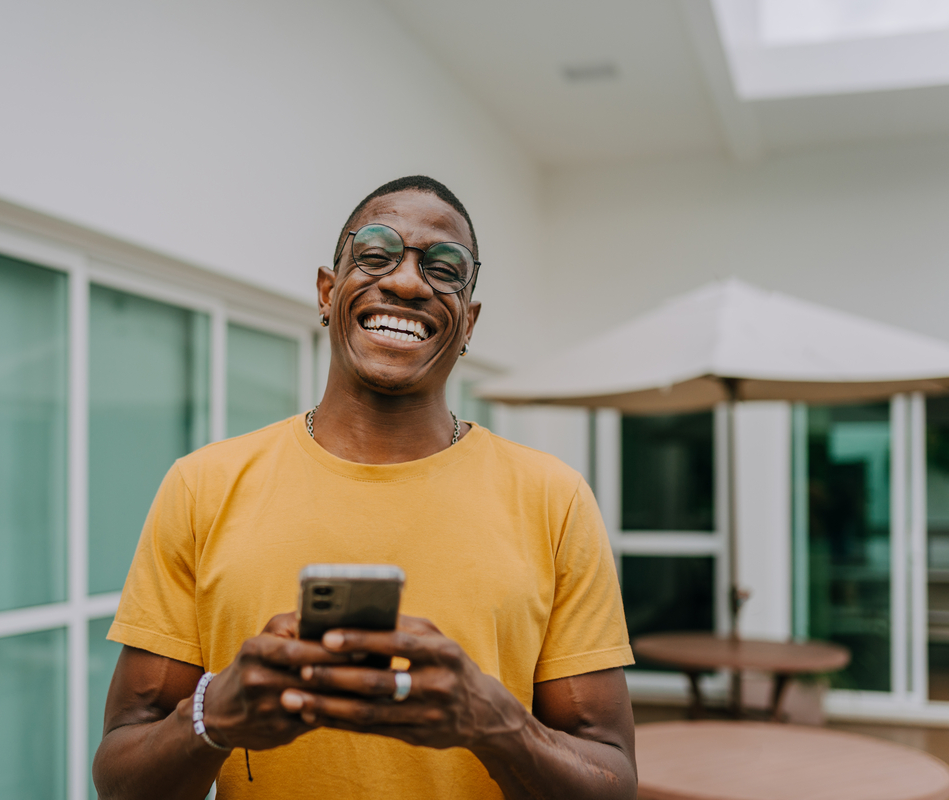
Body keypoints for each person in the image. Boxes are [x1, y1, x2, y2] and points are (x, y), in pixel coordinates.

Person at [92, 176, 637, 799]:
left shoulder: (553, 498)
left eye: (444, 268)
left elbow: (612, 782)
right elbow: (120, 778)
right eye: (376, 255)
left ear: (469, 323)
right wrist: (213, 716)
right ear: (328, 291)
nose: (406, 282)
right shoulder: (203, 486)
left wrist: (496, 723)